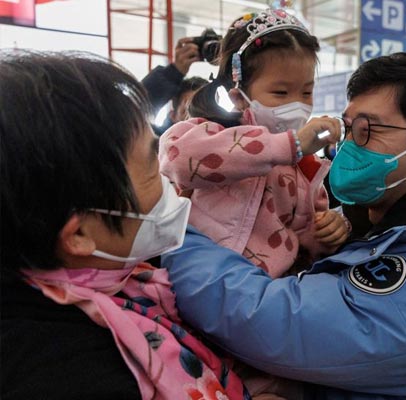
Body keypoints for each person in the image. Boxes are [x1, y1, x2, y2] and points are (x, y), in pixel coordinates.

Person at [162, 52, 406, 399]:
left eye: (368, 131)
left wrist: (177, 233)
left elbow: (275, 323)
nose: (350, 146)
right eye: (348, 129)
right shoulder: (383, 227)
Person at [0, 51, 247, 399]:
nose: (167, 182)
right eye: (150, 166)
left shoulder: (123, 274)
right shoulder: (67, 375)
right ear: (80, 234)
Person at [159, 9, 348, 279]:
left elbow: (305, 243)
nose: (297, 104)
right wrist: (288, 145)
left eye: (306, 92)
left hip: (259, 292)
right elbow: (179, 160)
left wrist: (329, 233)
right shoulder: (209, 134)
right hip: (191, 275)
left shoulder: (305, 169)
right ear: (239, 97)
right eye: (280, 92)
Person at [142, 36, 202, 134]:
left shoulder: (228, 139)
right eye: (186, 112)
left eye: (203, 110)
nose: (197, 120)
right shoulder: (159, 146)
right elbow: (132, 116)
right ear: (173, 116)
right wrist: (173, 72)